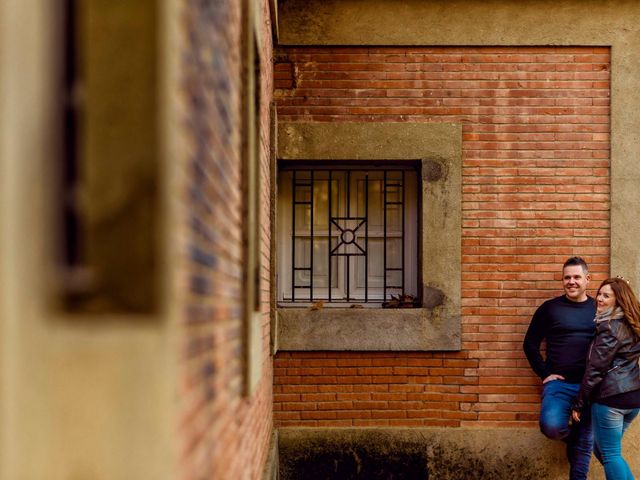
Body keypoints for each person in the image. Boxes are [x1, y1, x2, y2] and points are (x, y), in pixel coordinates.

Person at [523, 256, 597, 480]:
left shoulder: (599, 308)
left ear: (587, 279)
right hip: (559, 385)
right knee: (552, 427)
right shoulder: (550, 308)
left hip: (591, 386)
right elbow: (529, 344)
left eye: (576, 277)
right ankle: (575, 437)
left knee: (585, 440)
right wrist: (545, 374)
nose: (571, 282)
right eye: (567, 277)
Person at [571, 277, 640, 479]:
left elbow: (595, 370)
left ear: (618, 301)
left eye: (606, 296)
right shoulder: (632, 322)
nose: (599, 298)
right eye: (599, 293)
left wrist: (579, 404)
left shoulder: (609, 327)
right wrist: (624, 287)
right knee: (603, 451)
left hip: (611, 400)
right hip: (633, 399)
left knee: (610, 454)